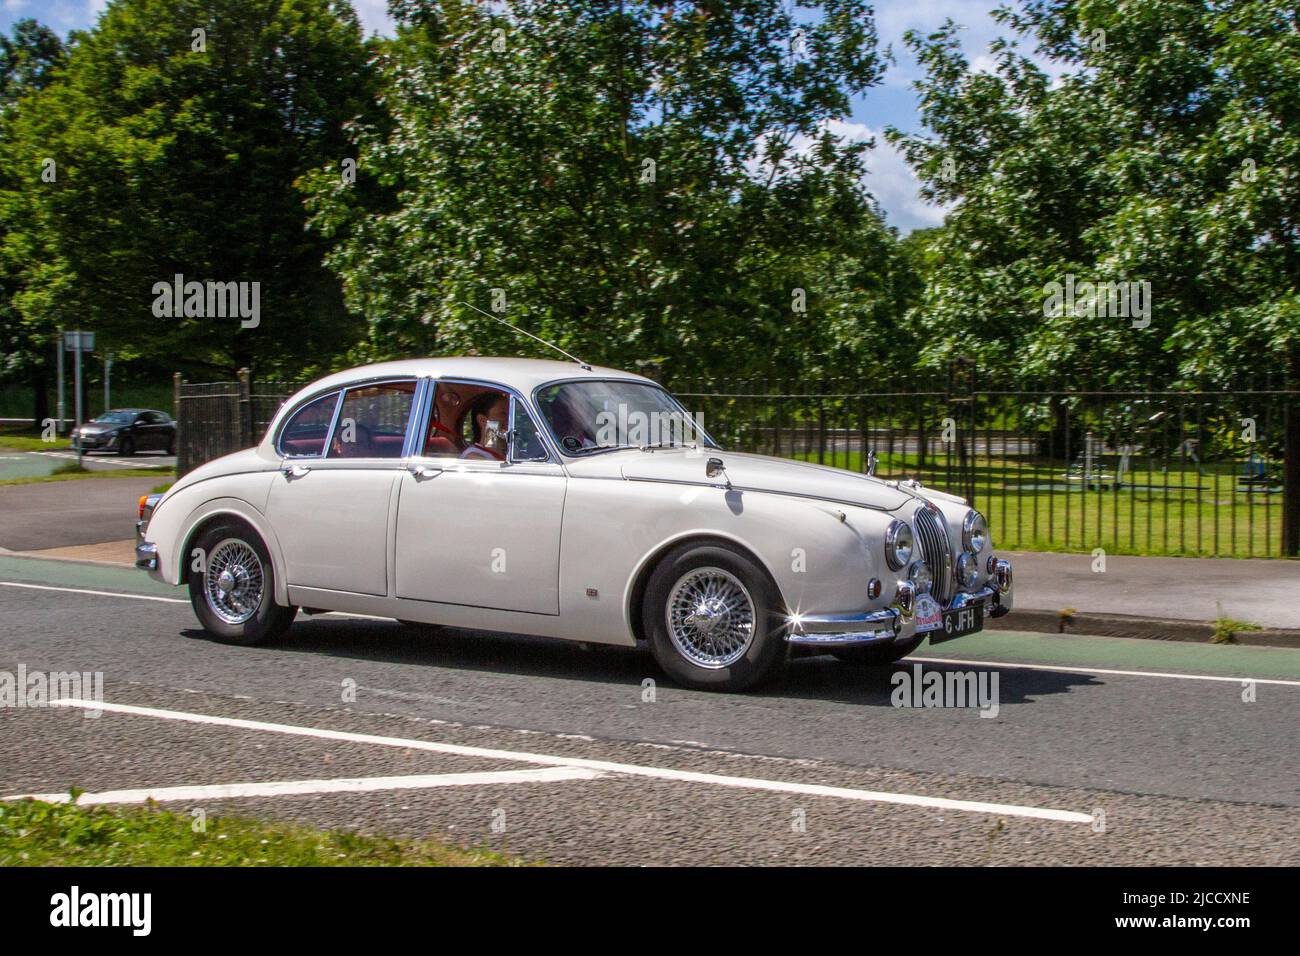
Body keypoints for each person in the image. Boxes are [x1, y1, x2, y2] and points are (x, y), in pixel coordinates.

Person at [460, 391, 509, 461]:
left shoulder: (509, 453)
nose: (509, 419)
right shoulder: (473, 456)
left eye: (511, 414)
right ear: (482, 420)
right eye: (503, 414)